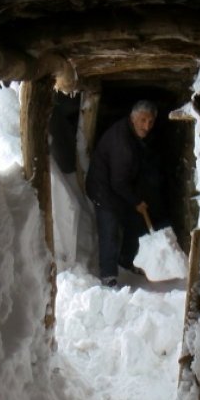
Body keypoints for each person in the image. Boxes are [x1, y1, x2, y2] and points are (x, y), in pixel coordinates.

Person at [86, 100, 158, 287]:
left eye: (151, 122)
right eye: (143, 120)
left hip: (119, 186)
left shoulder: (133, 134)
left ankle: (126, 261)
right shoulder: (123, 143)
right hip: (103, 189)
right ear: (133, 119)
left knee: (134, 222)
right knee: (109, 230)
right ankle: (108, 275)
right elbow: (118, 182)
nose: (147, 126)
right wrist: (136, 201)